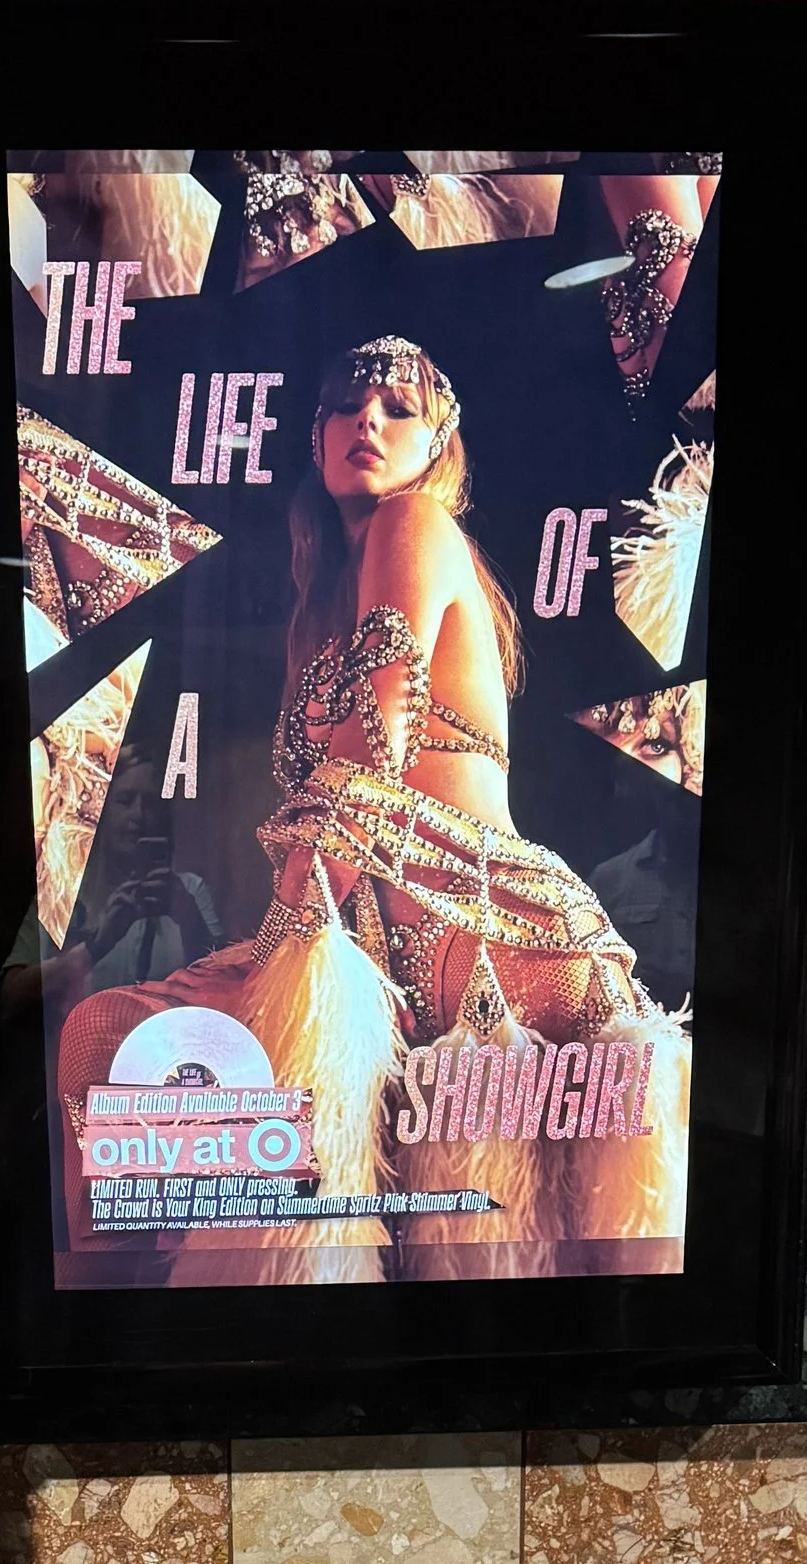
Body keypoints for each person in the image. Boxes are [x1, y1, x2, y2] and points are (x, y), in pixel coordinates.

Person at [52, 337, 690, 1284]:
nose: (370, 423)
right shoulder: (318, 599)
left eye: (399, 408)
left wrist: (295, 925)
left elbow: (379, 739)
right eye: (347, 408)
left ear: (441, 441)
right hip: (370, 935)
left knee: (587, 1261)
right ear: (313, 439)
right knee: (108, 1042)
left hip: (485, 929)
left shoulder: (413, 527)